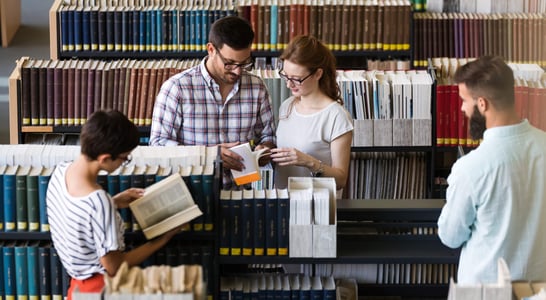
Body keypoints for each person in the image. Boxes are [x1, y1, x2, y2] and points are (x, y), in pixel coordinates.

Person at [46, 110, 182, 299]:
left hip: (78, 288)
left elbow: (76, 217)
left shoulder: (60, 172)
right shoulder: (98, 202)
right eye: (124, 158)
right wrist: (163, 239)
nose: (124, 162)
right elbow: (114, 266)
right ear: (104, 158)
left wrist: (114, 202)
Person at [437, 55, 546, 284]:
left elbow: (451, 236)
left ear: (482, 104)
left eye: (464, 101)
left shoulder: (471, 168)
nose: (462, 109)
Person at [149, 16, 276, 187]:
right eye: (229, 63)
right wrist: (209, 155)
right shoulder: (177, 88)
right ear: (211, 49)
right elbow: (158, 146)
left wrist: (264, 150)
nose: (238, 71)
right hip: (193, 194)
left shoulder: (257, 87)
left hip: (241, 196)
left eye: (244, 63)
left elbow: (268, 136)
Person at [270, 35, 353, 191]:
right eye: (286, 76)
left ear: (317, 74)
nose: (288, 84)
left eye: (297, 79)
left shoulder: (337, 116)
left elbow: (341, 179)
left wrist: (309, 162)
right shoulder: (287, 107)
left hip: (317, 206)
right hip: (283, 202)